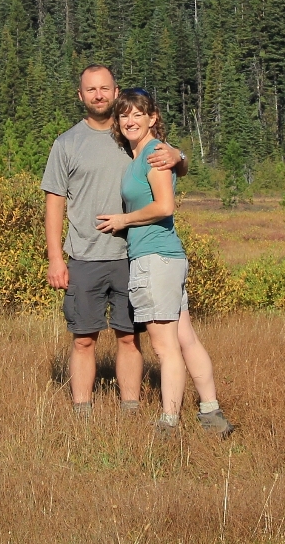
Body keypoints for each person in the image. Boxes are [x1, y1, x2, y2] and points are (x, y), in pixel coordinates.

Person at [42, 65, 187, 416]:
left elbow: (168, 161)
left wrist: (180, 156)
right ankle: (82, 411)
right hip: (84, 256)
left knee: (128, 336)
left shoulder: (131, 137)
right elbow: (54, 203)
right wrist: (55, 258)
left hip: (130, 255)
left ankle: (130, 408)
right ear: (80, 96)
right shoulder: (66, 144)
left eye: (104, 88)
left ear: (115, 91)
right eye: (91, 89)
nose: (98, 95)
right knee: (83, 339)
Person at [95, 88, 234, 437]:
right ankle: (211, 414)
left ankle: (169, 423)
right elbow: (180, 167)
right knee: (185, 338)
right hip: (166, 258)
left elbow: (164, 207)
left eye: (137, 114)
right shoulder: (147, 152)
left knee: (164, 345)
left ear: (152, 118)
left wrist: (122, 221)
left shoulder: (154, 153)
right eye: (124, 114)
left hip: (155, 259)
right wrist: (181, 156)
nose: (129, 120)